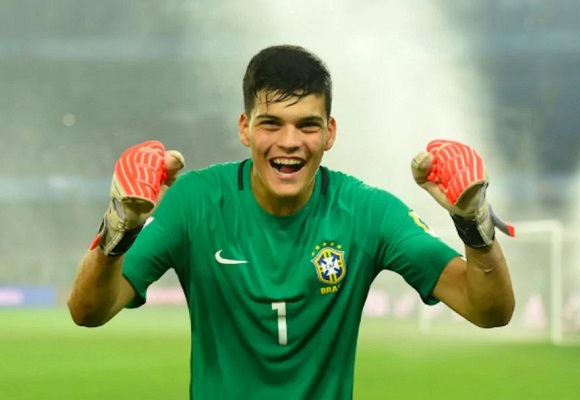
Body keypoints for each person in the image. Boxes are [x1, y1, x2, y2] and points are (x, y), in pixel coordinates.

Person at [67, 44, 515, 399]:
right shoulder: (195, 203)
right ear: (244, 128)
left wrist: (473, 227)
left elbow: (490, 311)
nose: (289, 142)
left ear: (330, 132)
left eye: (307, 125)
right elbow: (87, 312)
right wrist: (119, 229)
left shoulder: (368, 212)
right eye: (271, 124)